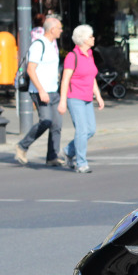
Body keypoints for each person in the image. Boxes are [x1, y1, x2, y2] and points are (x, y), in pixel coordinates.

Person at [14, 16, 65, 167]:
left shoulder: (52, 45)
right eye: (60, 28)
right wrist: (41, 90)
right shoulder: (38, 45)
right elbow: (30, 69)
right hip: (39, 91)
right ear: (52, 29)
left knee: (56, 124)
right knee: (46, 121)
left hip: (53, 91)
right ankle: (22, 146)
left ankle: (52, 156)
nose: (61, 31)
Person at [57, 24, 104, 174]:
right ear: (83, 39)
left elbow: (92, 77)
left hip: (87, 97)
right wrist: (63, 101)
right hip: (74, 97)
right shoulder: (72, 56)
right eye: (90, 36)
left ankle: (68, 151)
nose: (93, 38)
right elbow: (65, 80)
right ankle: (81, 163)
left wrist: (98, 95)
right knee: (82, 130)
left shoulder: (89, 54)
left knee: (90, 130)